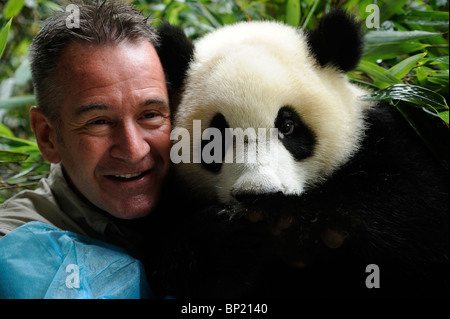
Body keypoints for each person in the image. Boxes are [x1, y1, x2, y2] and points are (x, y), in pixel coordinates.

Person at [0, 0, 171, 298]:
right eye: (99, 122)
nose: (134, 150)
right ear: (47, 137)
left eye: (150, 115)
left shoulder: (208, 187)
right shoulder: (13, 247)